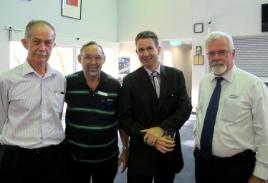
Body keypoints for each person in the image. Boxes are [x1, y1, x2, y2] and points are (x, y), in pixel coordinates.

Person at [118, 30, 192, 183]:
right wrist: (150, 137)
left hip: (168, 149)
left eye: (149, 48)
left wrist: (161, 129)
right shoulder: (130, 81)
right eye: (141, 50)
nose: (145, 53)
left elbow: (184, 108)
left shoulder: (176, 75)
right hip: (141, 152)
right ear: (137, 52)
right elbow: (125, 117)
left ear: (158, 49)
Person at [194, 31, 268, 183]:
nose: (216, 58)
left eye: (221, 52)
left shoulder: (253, 84)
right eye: (211, 53)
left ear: (233, 53)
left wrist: (261, 173)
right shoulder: (204, 82)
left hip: (236, 167)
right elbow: (201, 115)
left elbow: (265, 131)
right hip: (203, 163)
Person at [0, 20, 66, 183]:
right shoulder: (7, 79)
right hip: (17, 159)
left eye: (48, 43)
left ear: (53, 45)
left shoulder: (60, 79)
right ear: (25, 43)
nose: (42, 48)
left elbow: (57, 116)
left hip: (54, 157)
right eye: (36, 41)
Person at [64, 41, 129, 183]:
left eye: (98, 57)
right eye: (87, 57)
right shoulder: (68, 83)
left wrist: (125, 148)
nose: (93, 62)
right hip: (75, 158)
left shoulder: (114, 85)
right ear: (79, 59)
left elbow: (121, 121)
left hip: (107, 158)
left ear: (104, 60)